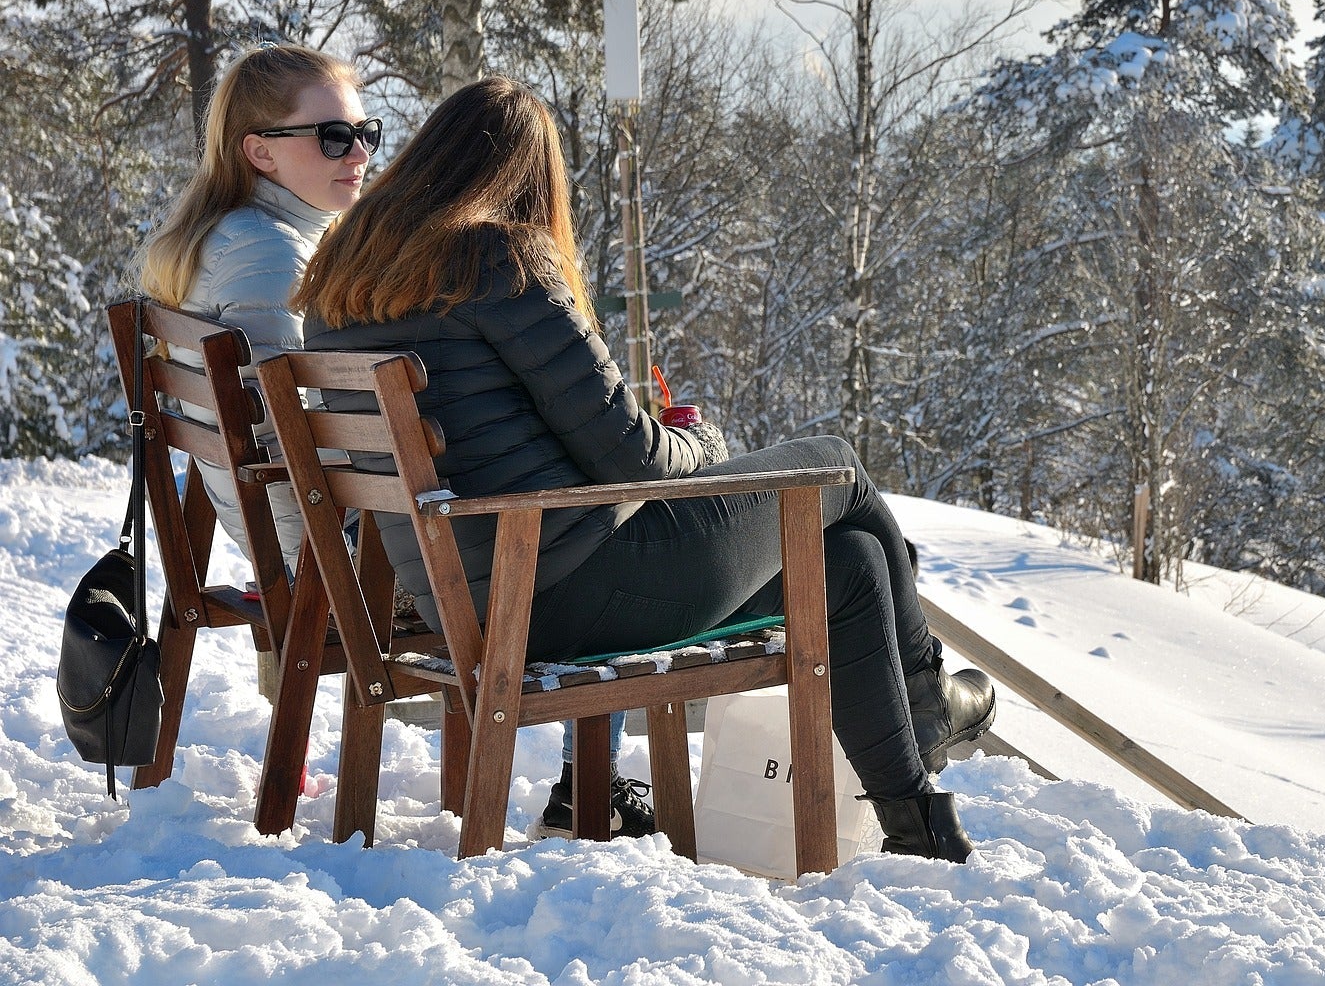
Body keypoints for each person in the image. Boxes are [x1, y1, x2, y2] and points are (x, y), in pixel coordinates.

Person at [294, 77, 996, 861]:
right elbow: (635, 458)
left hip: (471, 591)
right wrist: (705, 444)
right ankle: (927, 691)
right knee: (837, 466)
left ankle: (919, 826)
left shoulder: (345, 283)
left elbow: (508, 432)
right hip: (571, 586)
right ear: (528, 178)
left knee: (849, 562)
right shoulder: (500, 257)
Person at [138, 45, 377, 693]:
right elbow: (287, 442)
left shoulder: (246, 235)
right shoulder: (267, 256)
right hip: (318, 553)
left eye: (364, 133)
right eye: (333, 137)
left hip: (292, 535)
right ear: (261, 151)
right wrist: (332, 566)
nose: (358, 154)